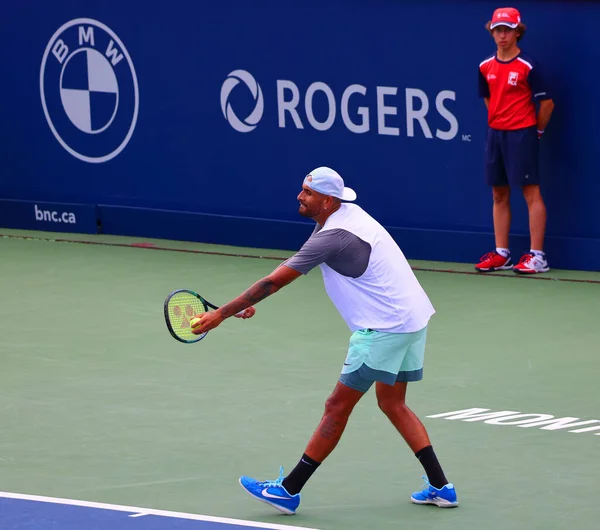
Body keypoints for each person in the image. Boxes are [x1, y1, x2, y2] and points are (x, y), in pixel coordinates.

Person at [190, 166, 458, 513]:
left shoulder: (333, 236)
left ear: (329, 201)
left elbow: (274, 281)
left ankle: (288, 490)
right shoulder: (345, 216)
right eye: (302, 190)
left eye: (308, 193)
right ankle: (442, 486)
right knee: (392, 403)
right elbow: (285, 271)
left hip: (385, 327)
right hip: (413, 319)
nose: (300, 197)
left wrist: (220, 314)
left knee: (337, 406)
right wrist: (237, 307)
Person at [476, 7, 555, 274]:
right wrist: (499, 120)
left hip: (523, 134)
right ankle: (502, 254)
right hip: (495, 134)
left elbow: (547, 104)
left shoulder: (528, 66)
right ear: (492, 31)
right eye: (498, 30)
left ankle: (538, 256)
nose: (502, 35)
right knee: (499, 194)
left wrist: (537, 131)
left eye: (507, 30)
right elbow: (489, 99)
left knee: (530, 193)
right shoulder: (485, 66)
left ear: (517, 32)